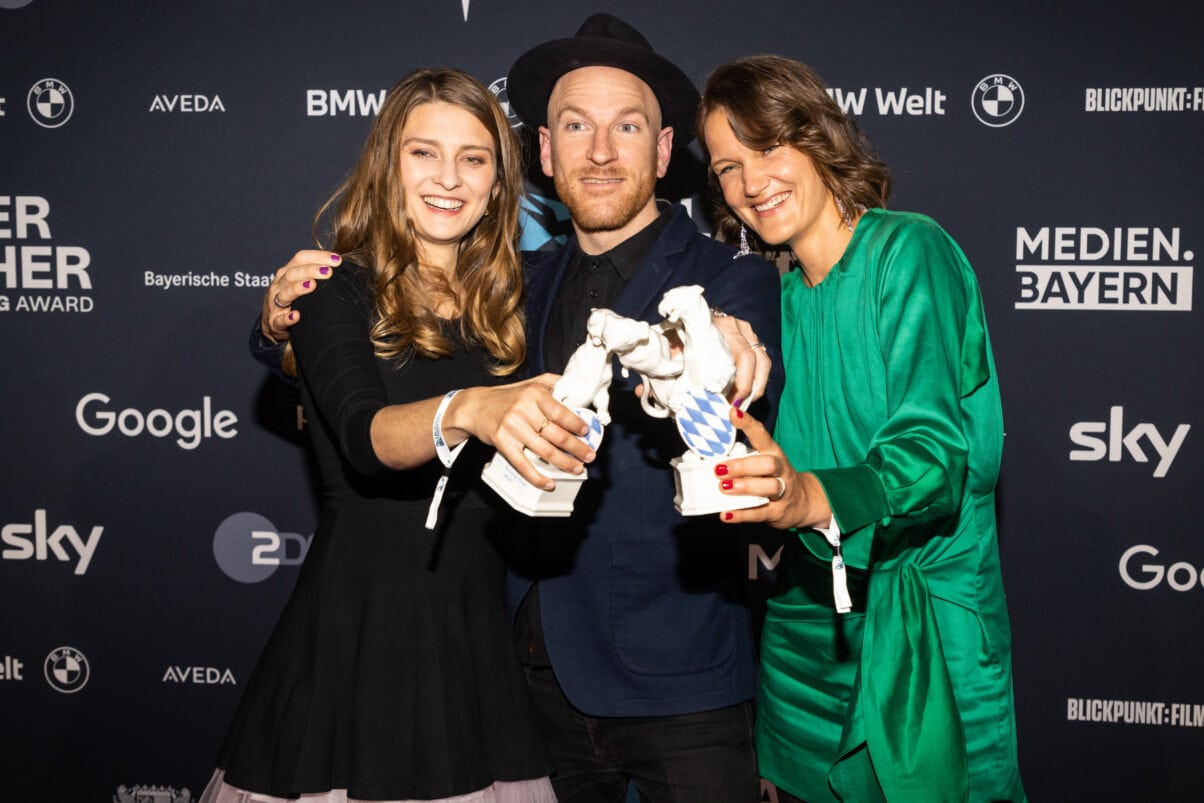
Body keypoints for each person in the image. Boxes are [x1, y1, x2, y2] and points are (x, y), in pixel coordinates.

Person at [255, 15, 784, 803]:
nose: (600, 151)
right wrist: (276, 329)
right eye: (575, 125)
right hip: (519, 683)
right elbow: (395, 343)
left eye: (627, 126)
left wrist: (722, 354)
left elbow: (734, 370)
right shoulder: (513, 282)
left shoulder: (728, 279)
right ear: (542, 153)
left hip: (682, 691)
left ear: (665, 152)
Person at [201, 68, 582, 803]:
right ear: (387, 164)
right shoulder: (333, 286)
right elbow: (365, 435)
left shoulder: (519, 301)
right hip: (358, 639)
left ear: (500, 183)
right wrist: (468, 407)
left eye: (474, 158)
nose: (449, 177)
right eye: (423, 153)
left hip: (477, 645)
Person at [698, 55, 1025, 802]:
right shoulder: (780, 300)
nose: (752, 184)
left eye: (770, 147)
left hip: (923, 640)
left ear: (817, 138)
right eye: (726, 166)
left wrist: (809, 495)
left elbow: (935, 460)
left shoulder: (910, 251)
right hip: (804, 637)